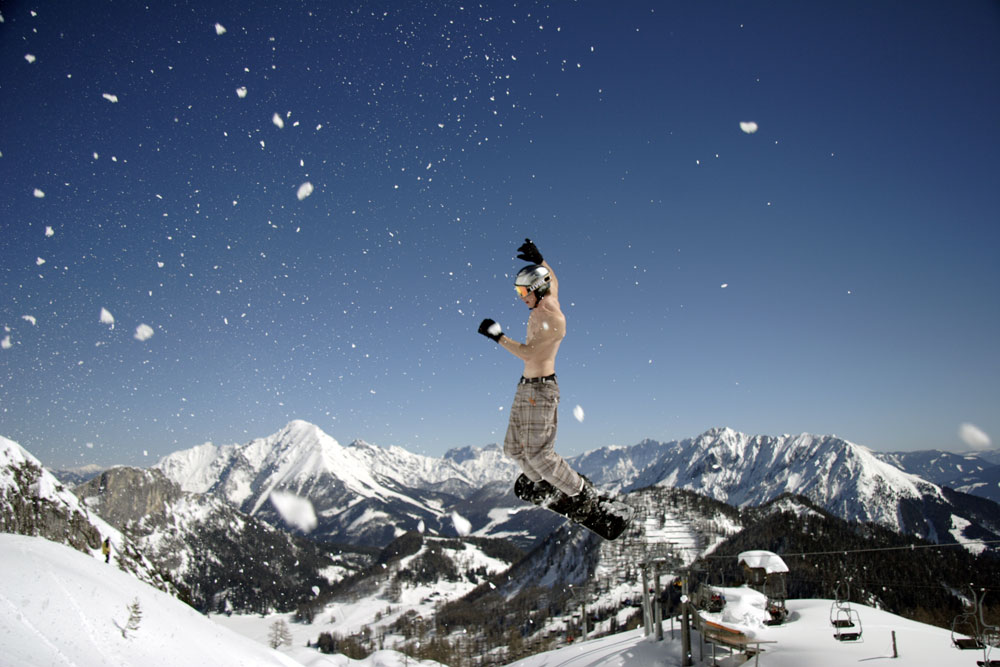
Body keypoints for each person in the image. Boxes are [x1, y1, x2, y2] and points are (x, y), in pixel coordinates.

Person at [477, 238, 597, 515]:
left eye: (523, 291)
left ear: (536, 289)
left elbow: (530, 354)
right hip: (526, 387)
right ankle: (543, 485)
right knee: (513, 449)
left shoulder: (554, 319)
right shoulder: (545, 299)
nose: (520, 296)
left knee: (539, 456)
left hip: (541, 391)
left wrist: (498, 337)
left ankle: (581, 493)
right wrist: (540, 259)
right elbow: (553, 279)